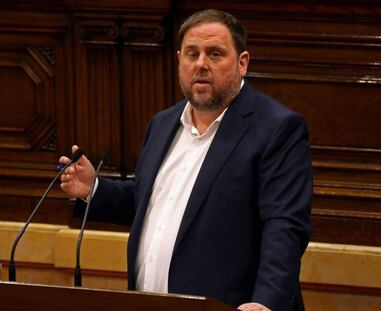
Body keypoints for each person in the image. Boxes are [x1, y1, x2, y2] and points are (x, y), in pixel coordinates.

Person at [59, 9, 312, 311]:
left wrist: (266, 302)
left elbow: (284, 225)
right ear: (179, 59)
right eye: (192, 54)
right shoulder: (163, 124)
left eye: (215, 54)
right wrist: (94, 189)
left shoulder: (276, 128)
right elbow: (156, 203)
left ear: (242, 63)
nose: (201, 64)